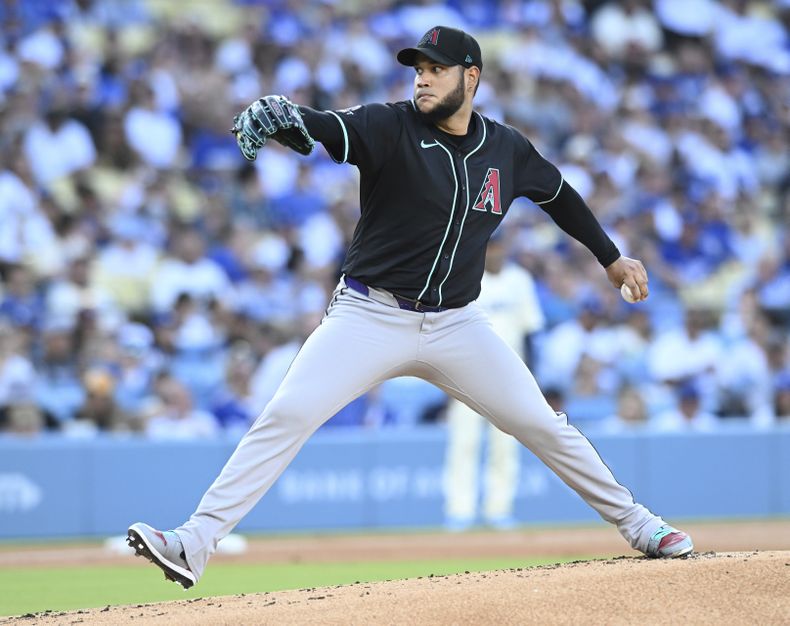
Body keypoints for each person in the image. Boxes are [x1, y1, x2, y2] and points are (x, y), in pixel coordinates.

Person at [128, 26, 693, 590]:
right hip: (368, 316)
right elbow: (327, 128)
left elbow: (559, 195)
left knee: (543, 424)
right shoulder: (389, 125)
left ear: (471, 77)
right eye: (418, 67)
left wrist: (611, 258)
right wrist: (290, 118)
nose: (422, 76)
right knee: (287, 416)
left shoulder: (505, 149)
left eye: (437, 68)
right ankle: (193, 543)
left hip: (457, 324)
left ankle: (641, 525)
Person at [443, 233, 544, 531]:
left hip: (509, 378)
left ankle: (499, 508)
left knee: (505, 446)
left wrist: (531, 379)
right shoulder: (466, 275)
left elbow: (531, 331)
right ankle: (459, 510)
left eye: (500, 248)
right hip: (466, 375)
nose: (497, 254)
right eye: (491, 249)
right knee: (464, 443)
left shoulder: (520, 279)